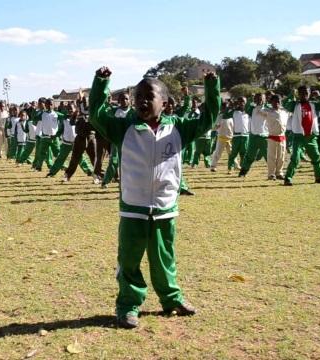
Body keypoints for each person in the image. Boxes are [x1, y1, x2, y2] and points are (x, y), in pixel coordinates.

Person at [89, 66, 221, 329]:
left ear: (166, 103)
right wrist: (101, 82)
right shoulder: (123, 127)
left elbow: (209, 118)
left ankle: (171, 298)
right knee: (129, 260)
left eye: (149, 96)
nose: (142, 101)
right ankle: (128, 305)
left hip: (164, 206)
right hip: (133, 207)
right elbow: (96, 114)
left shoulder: (179, 128)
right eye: (138, 97)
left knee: (164, 258)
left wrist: (211, 87)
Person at [282, 86, 320, 186]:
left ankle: (319, 177)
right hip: (298, 137)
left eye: (306, 93)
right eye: (301, 93)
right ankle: (288, 178)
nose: (304, 94)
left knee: (316, 157)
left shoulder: (314, 104)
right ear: (298, 94)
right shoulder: (294, 105)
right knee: (295, 158)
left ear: (309, 94)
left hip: (311, 136)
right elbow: (285, 104)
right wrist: (291, 95)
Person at [238, 93, 268, 177]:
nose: (259, 100)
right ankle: (243, 172)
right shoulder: (252, 109)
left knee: (268, 156)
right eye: (257, 99)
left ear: (265, 99)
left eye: (261, 98)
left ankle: (273, 173)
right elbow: (246, 107)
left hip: (265, 136)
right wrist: (251, 99)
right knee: (249, 156)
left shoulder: (268, 108)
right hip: (253, 137)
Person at [260, 94, 288, 180]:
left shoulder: (284, 111)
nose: (276, 103)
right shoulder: (268, 111)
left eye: (278, 101)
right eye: (274, 101)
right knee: (272, 156)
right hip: (272, 136)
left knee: (281, 156)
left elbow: (289, 105)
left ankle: (279, 172)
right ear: (271, 102)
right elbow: (260, 110)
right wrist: (265, 101)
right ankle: (271, 174)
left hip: (282, 137)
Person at [209, 100, 234, 172]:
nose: (226, 109)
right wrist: (216, 127)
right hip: (221, 138)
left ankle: (233, 166)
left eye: (227, 108)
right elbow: (215, 127)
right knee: (217, 153)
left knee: (232, 153)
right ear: (221, 108)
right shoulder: (219, 116)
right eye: (224, 108)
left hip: (230, 138)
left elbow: (233, 127)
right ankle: (213, 166)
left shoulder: (231, 117)